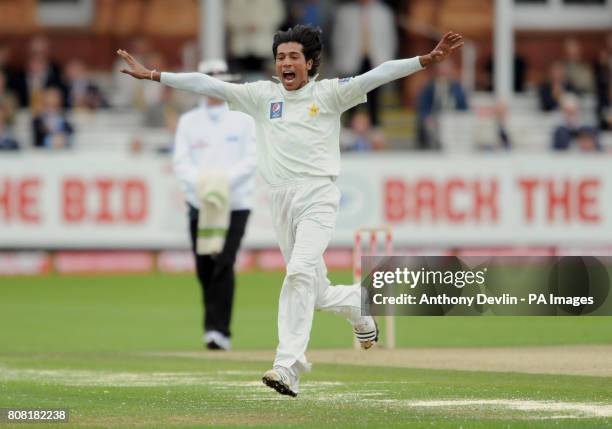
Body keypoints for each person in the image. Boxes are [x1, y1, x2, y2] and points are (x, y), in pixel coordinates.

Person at [118, 25, 463, 397]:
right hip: (280, 200)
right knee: (315, 291)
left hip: (318, 195)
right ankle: (357, 304)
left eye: (293, 56)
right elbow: (208, 85)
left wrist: (424, 61)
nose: (285, 63)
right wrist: (153, 75)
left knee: (298, 272)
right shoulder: (262, 96)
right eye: (281, 56)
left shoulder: (329, 93)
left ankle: (288, 366)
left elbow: (376, 75)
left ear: (310, 62)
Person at [173, 59, 256, 351]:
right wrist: (203, 188)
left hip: (235, 203)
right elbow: (181, 163)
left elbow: (251, 160)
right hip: (200, 203)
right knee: (204, 266)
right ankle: (213, 328)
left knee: (223, 263)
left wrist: (221, 183)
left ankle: (218, 332)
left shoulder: (244, 118)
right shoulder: (188, 122)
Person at [332, 0, 397, 127]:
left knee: (375, 94)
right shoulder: (345, 13)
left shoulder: (383, 12)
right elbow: (338, 39)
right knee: (350, 93)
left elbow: (389, 38)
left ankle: (375, 125)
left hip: (375, 58)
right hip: (352, 59)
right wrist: (340, 60)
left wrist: (388, 60)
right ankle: (349, 125)